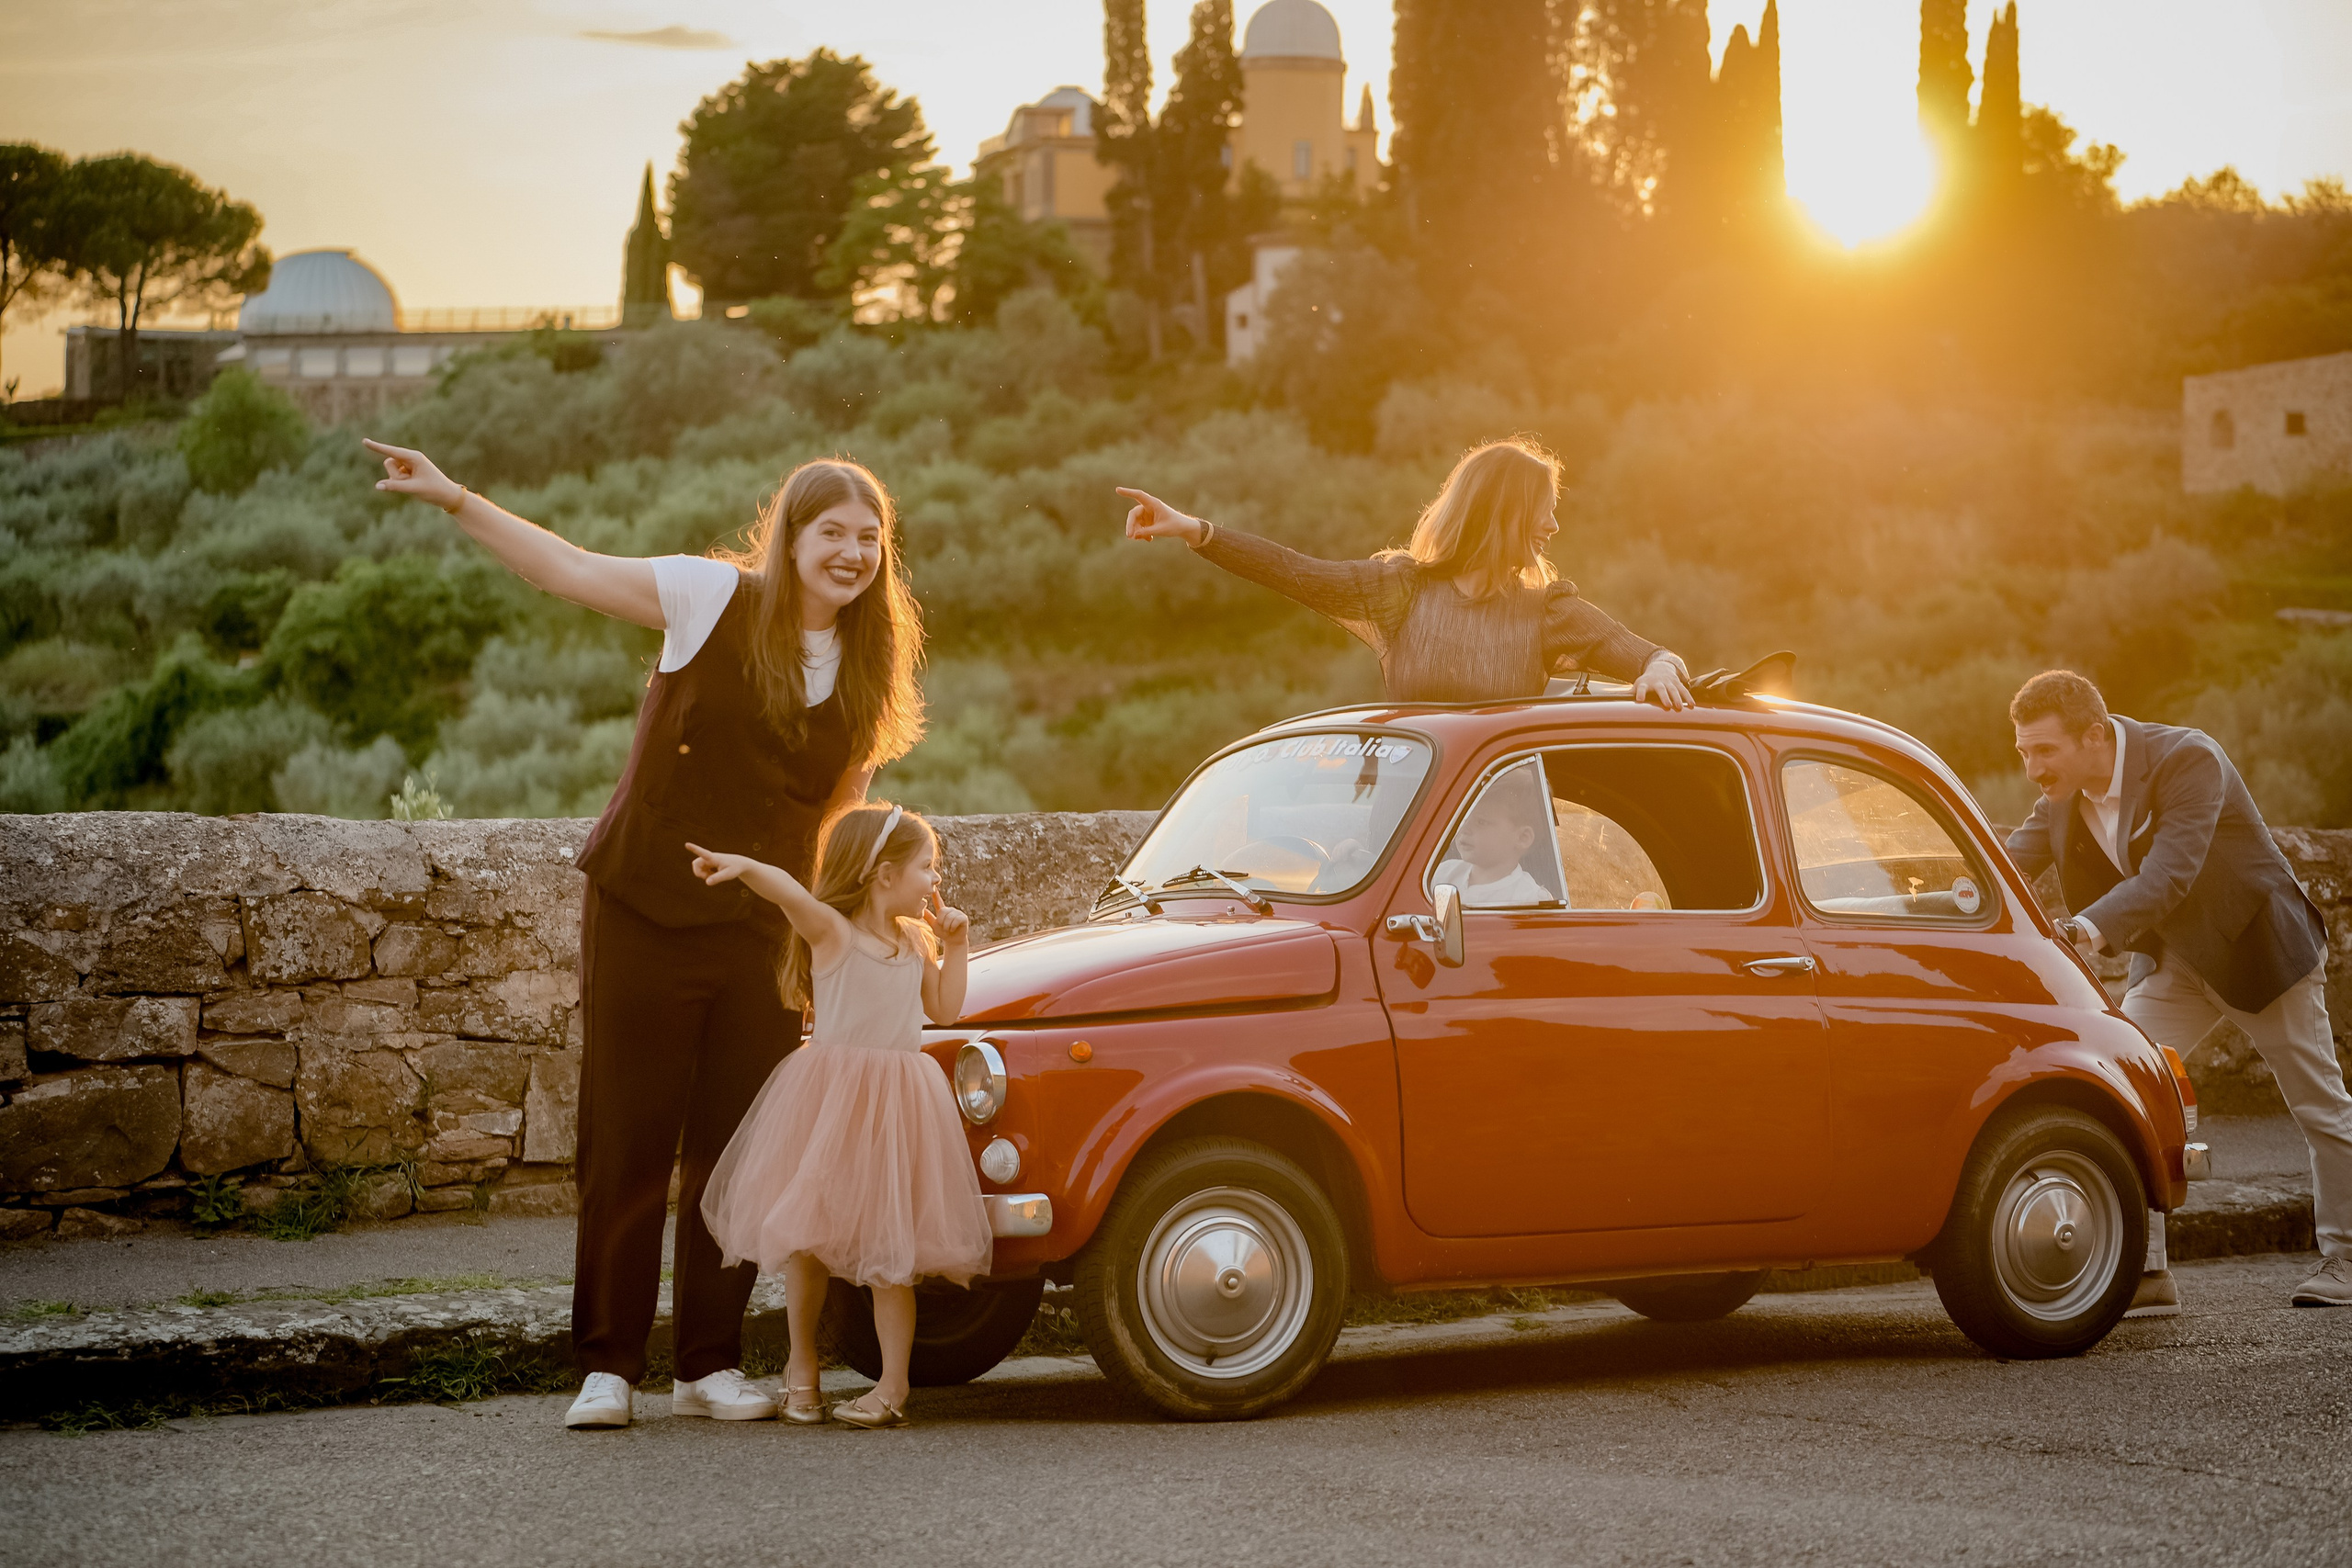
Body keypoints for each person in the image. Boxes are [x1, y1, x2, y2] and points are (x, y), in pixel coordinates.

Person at [361, 440, 926, 1428]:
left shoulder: (871, 666)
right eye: (832, 532)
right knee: (626, 1138)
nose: (852, 552)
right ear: (790, 536)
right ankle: (608, 1367)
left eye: (870, 538)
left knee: (733, 1149)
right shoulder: (710, 599)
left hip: (762, 936)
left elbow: (836, 821)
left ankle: (707, 1364)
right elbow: (567, 569)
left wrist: (844, 936)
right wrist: (456, 497)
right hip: (642, 909)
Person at [2007, 670, 2352, 1313]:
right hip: (2174, 963)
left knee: (2319, 1106)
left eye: (2044, 750)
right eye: (2023, 751)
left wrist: (2084, 930)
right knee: (2123, 1084)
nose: (2032, 767)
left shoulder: (2188, 758)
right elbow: (2003, 864)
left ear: (2092, 735)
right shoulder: (2061, 795)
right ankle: (2146, 1274)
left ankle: (2348, 1256)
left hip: (2258, 950)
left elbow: (2169, 875)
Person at [691, 806, 994, 1428]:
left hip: (896, 1109)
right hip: (829, 1104)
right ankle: (801, 1370)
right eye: (924, 867)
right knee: (806, 1243)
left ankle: (892, 1386)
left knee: (893, 1254)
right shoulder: (832, 933)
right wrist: (744, 865)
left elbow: (946, 1006)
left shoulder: (914, 939)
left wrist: (957, 942)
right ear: (884, 874)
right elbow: (789, 892)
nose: (933, 880)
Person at [1116, 438, 1696, 709]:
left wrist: (1660, 671)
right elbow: (1295, 572)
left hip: (1511, 848)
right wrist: (1196, 530)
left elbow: (1652, 656)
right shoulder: (1400, 590)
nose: (1552, 526)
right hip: (1416, 835)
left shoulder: (1547, 611)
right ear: (1506, 513)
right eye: (1543, 509)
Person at [1436, 765, 1558, 908]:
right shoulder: (1442, 874)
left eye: (1481, 822)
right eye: (1464, 819)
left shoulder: (1530, 899)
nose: (1464, 829)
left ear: (1522, 838)